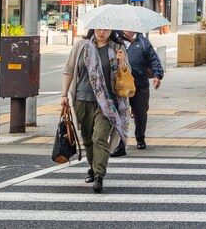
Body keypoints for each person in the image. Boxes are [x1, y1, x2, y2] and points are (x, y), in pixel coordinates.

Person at [61, 28, 131, 194]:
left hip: (107, 103)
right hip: (82, 100)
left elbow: (128, 73)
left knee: (99, 137)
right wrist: (64, 94)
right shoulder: (81, 46)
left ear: (111, 31)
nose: (102, 32)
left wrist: (122, 62)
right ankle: (92, 167)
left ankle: (99, 175)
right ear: (93, 29)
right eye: (99, 29)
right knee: (88, 140)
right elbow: (69, 69)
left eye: (106, 30)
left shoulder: (117, 48)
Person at [110, 30, 164, 156]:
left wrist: (157, 75)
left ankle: (140, 137)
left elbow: (154, 59)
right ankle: (120, 145)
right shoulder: (116, 42)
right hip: (121, 85)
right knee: (121, 114)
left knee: (141, 112)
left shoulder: (143, 42)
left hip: (139, 84)